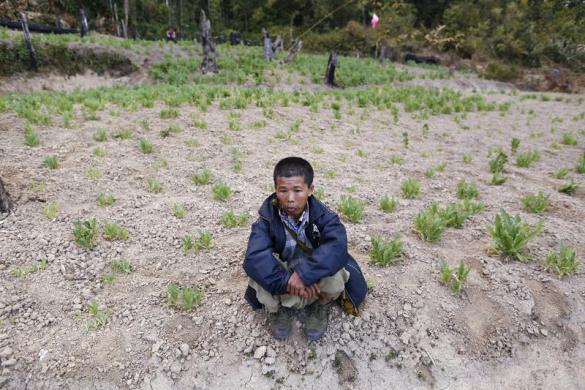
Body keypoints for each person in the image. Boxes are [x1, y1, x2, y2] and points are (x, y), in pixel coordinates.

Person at [243, 157, 367, 341]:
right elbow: (255, 257)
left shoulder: (326, 217)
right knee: (260, 272)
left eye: (298, 190)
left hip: (314, 274)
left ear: (310, 190)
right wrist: (287, 281)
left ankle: (320, 305)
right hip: (284, 275)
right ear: (276, 190)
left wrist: (304, 275)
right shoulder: (266, 220)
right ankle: (279, 310)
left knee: (336, 273)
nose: (290, 198)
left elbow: (336, 247)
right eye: (283, 190)